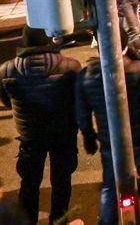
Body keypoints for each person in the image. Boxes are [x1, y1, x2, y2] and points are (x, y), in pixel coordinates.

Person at [77, 37, 140, 225]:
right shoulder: (138, 69)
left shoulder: (86, 75)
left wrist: (89, 136)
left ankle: (107, 221)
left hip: (109, 139)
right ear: (125, 47)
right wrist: (138, 53)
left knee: (109, 185)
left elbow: (82, 112)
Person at [0, 27, 83, 224]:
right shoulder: (70, 66)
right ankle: (59, 219)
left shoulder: (6, 70)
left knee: (29, 182)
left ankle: (28, 220)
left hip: (30, 135)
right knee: (62, 180)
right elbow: (78, 99)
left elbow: (6, 101)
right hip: (63, 132)